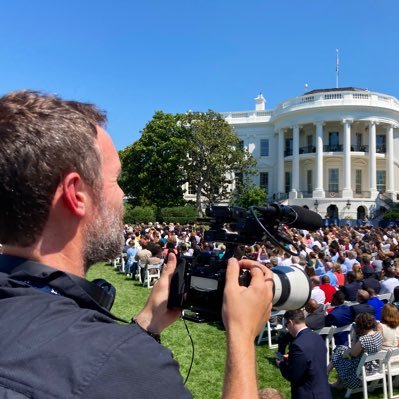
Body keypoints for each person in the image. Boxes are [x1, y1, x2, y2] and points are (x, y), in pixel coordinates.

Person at [0, 90, 274, 399]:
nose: (122, 196)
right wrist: (241, 335)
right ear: (76, 195)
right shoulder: (121, 363)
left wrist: (145, 326)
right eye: (116, 180)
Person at [277, 310, 332, 399]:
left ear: (291, 322)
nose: (287, 328)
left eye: (286, 325)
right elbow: (312, 358)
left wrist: (282, 364)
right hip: (323, 391)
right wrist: (293, 358)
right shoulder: (317, 337)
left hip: (308, 393)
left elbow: (294, 375)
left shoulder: (297, 344)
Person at [329, 313, 383, 391]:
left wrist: (354, 337)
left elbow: (353, 354)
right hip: (373, 367)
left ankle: (329, 375)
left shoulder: (363, 339)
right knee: (341, 349)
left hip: (360, 371)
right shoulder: (378, 335)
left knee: (339, 352)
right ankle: (335, 380)